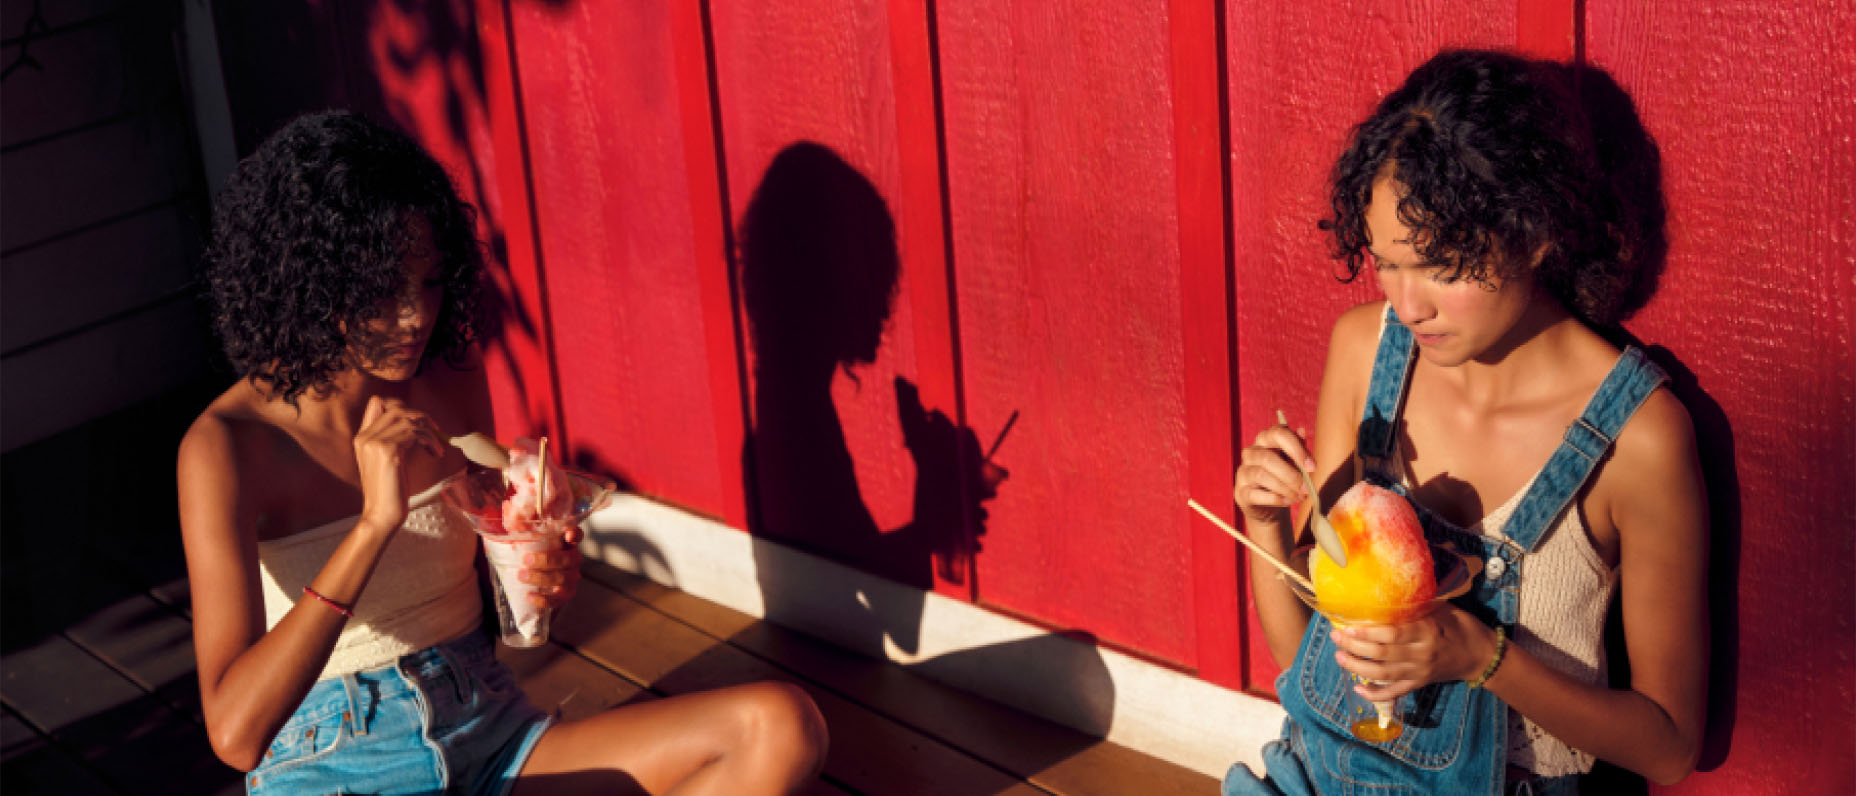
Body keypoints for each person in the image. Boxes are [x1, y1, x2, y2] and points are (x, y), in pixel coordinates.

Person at [178, 110, 827, 795]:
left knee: (781, 726)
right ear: (311, 280)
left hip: (492, 736)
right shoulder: (226, 449)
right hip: (336, 766)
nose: (415, 317)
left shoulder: (450, 375)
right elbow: (237, 735)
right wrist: (374, 525)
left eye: (428, 282)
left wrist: (537, 578)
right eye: (382, 290)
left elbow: (507, 615)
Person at [1224, 50, 1707, 794]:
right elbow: (1307, 668)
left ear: (1537, 232)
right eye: (1387, 263)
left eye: (1442, 266)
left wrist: (1479, 657)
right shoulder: (1364, 353)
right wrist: (1263, 524)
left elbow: (1669, 748)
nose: (1408, 304)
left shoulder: (1638, 440)